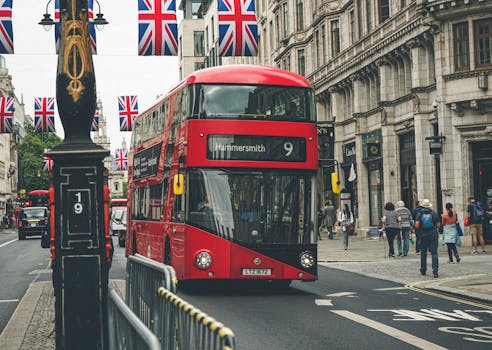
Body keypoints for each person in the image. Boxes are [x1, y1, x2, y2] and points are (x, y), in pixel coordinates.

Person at [415, 198, 441, 278]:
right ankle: (435, 271)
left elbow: (416, 225)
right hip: (433, 235)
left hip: (423, 236)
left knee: (423, 253)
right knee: (434, 253)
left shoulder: (419, 214)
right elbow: (438, 225)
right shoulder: (433, 213)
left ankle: (423, 270)